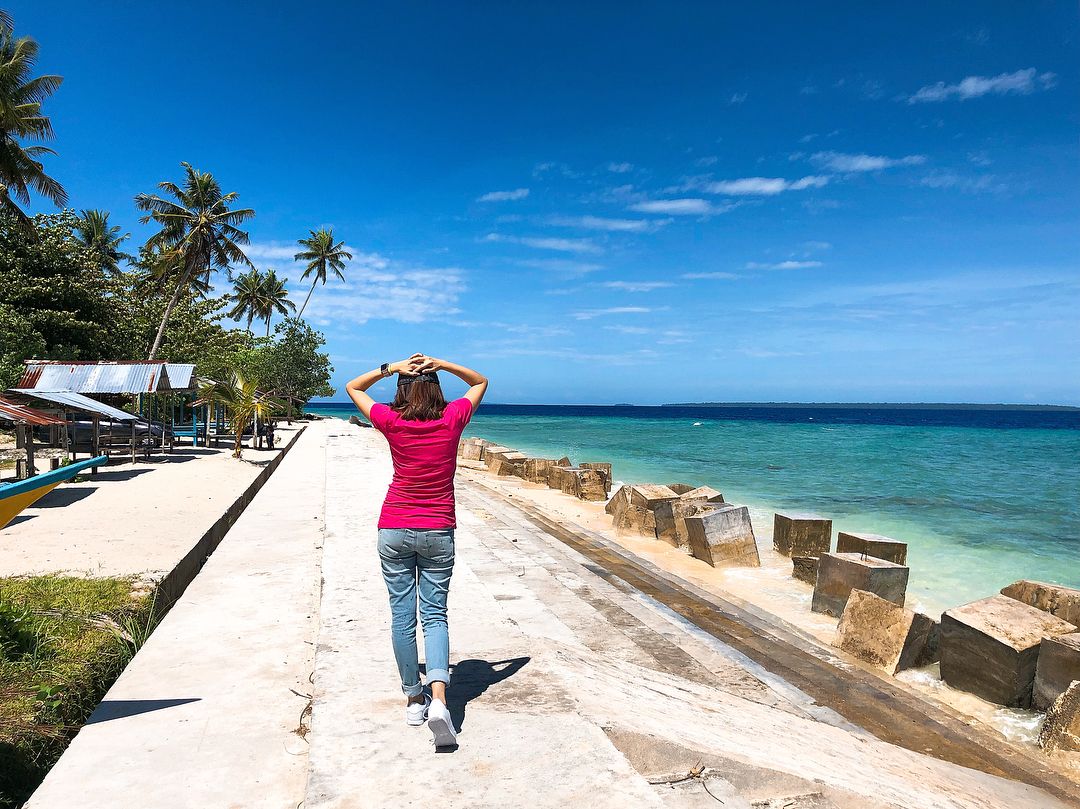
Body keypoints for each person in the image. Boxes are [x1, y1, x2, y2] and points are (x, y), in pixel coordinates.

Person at [345, 353, 488, 749]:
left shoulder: (392, 422)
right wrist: (442, 364)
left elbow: (353, 386)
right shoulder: (453, 419)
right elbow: (480, 382)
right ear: (438, 388)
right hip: (439, 529)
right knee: (435, 615)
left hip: (394, 526)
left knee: (401, 617)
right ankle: (440, 701)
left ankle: (413, 698)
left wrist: (392, 369)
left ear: (402, 391)